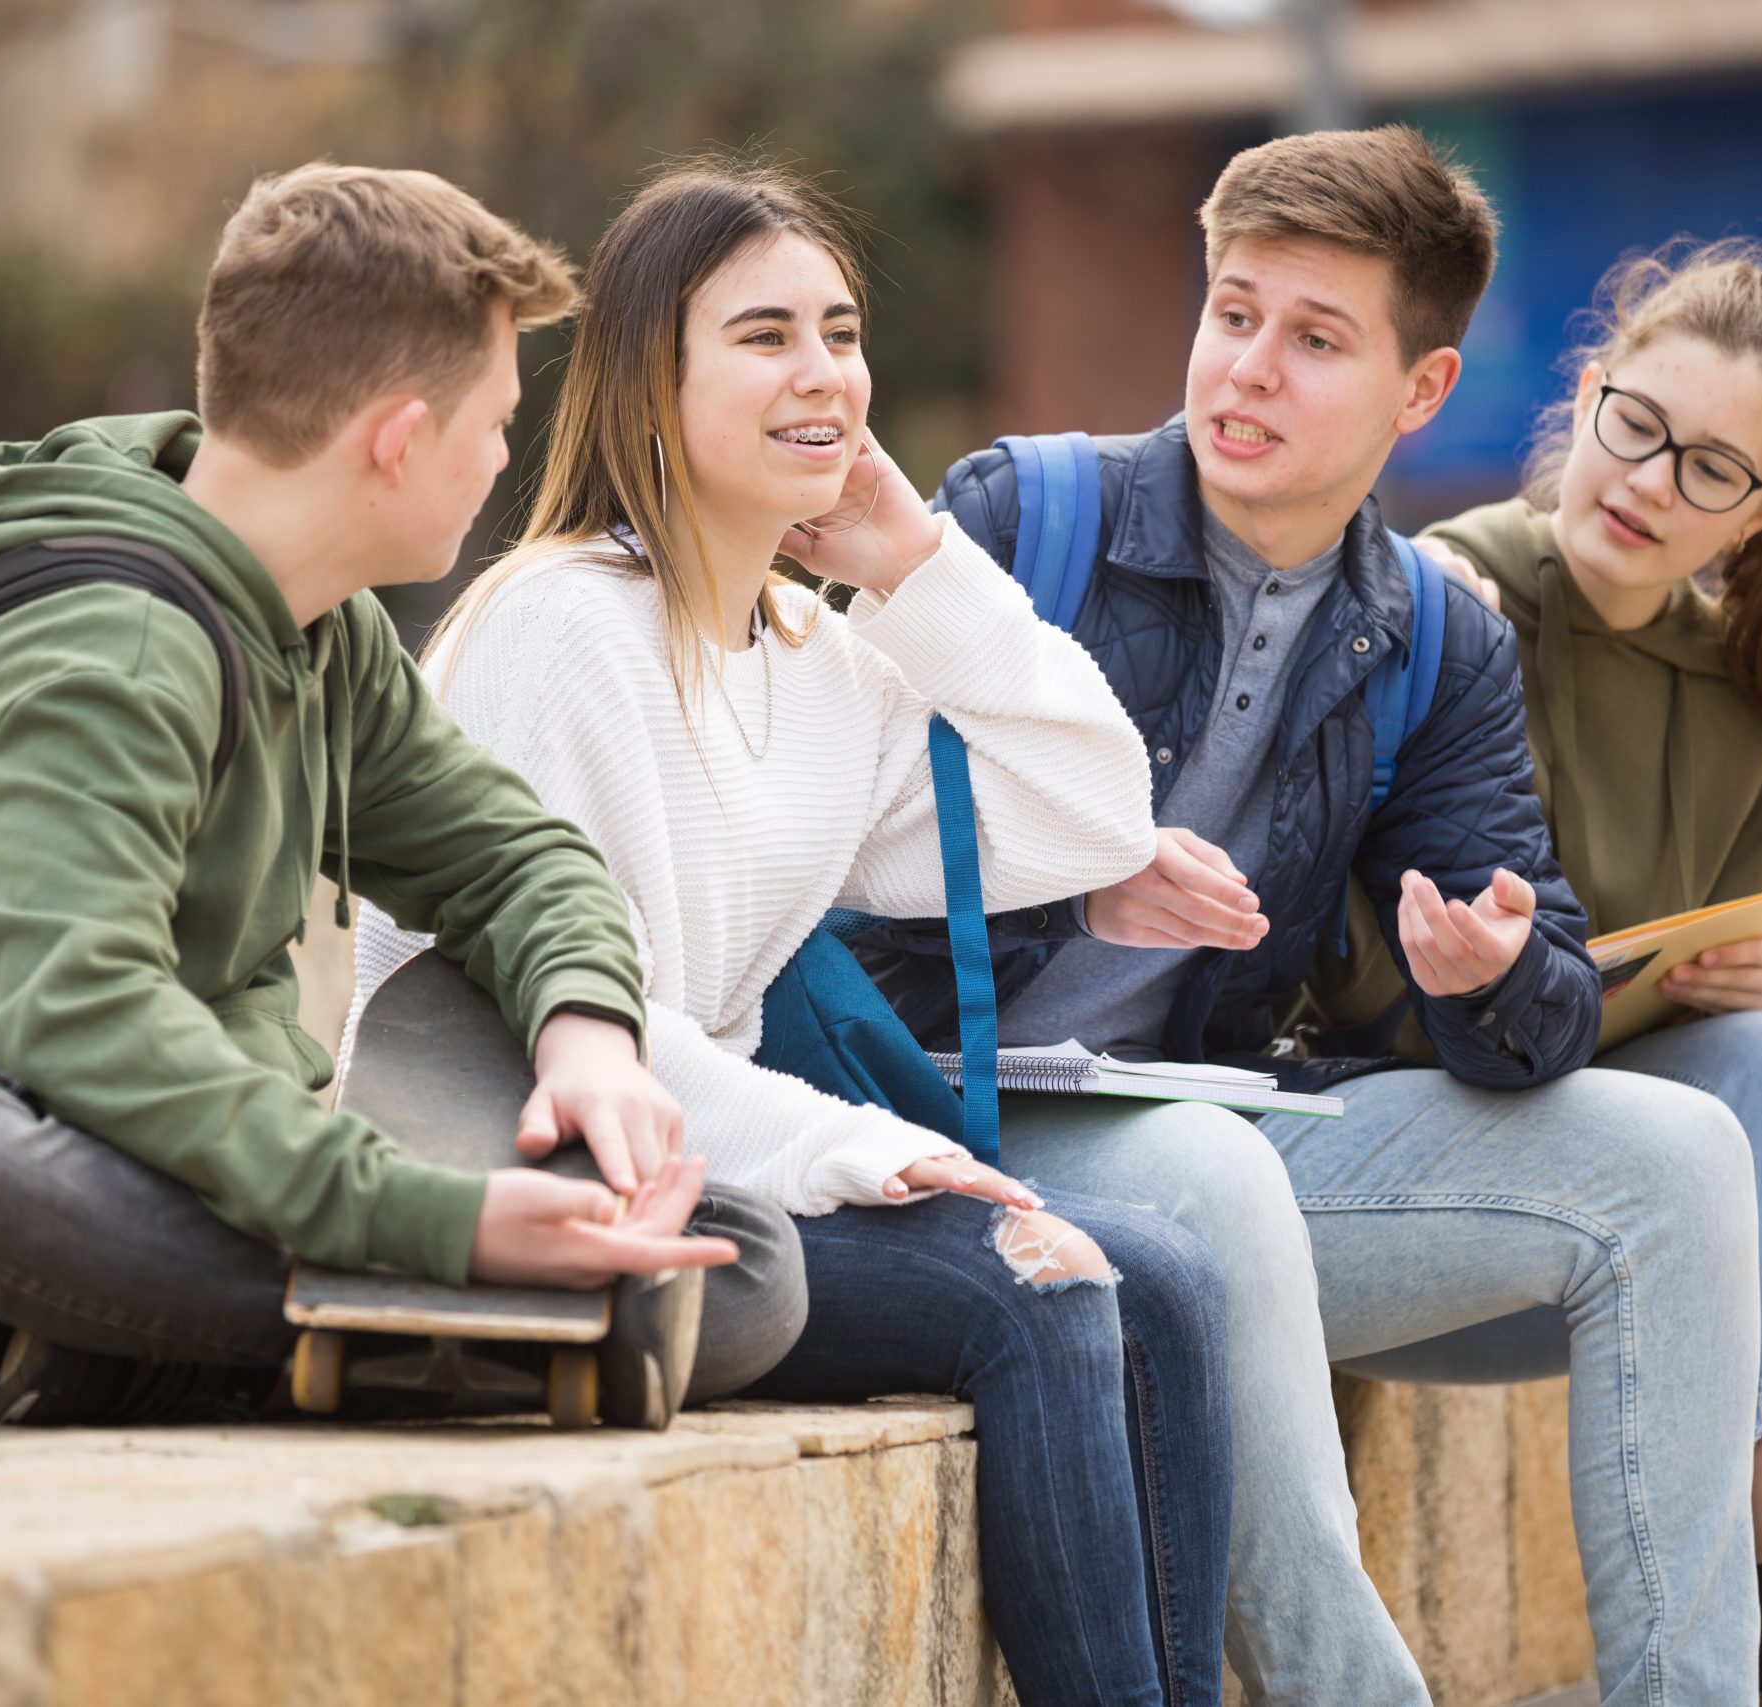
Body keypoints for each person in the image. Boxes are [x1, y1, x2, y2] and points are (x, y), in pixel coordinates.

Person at [863, 127, 1762, 1707]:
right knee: (1215, 1160)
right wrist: (1073, 874)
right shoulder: (1023, 522)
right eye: (1234, 312)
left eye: (1317, 338)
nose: (1249, 370)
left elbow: (1541, 983)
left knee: (1686, 1156)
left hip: (1216, 1143)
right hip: (946, 1122)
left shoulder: (1426, 635)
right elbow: (803, 864)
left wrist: (1488, 973)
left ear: (1422, 391)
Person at [350, 159, 1238, 1707]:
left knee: (1172, 1275)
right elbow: (589, 1034)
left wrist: (920, 567)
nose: (822, 371)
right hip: (532, 1178)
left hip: (711, 1156)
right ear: (651, 378)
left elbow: (1096, 811)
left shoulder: (811, 647)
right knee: (1040, 1288)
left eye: (840, 328)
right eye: (764, 337)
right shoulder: (560, 631)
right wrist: (865, 1150)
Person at [0, 163, 768, 1430]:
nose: (503, 454)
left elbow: (514, 857)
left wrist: (586, 1030)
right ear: (395, 439)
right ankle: (440, 1323)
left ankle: (197, 1345)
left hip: (190, 1198)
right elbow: (79, 1021)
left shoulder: (322, 631)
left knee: (751, 1256)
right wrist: (437, 1221)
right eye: (490, 420)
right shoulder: (106, 660)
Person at [1312, 239, 1762, 1705]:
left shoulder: (1744, 698)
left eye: (1712, 468)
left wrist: (1708, 995)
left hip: (1604, 1214)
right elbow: (1348, 975)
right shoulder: (1445, 601)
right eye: (1636, 423)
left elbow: (1644, 1042)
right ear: (1585, 396)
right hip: (1412, 1186)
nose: (1651, 478)